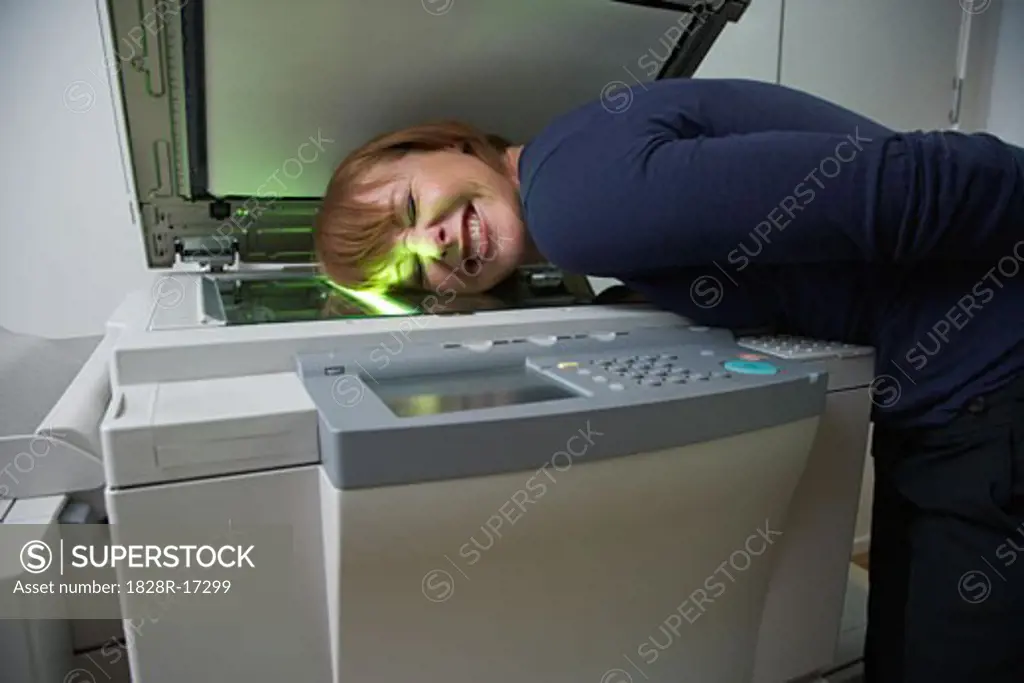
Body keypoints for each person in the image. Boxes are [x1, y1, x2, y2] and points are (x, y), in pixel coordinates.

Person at [313, 77, 1024, 682]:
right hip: (944, 399)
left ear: (448, 142)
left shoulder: (569, 203)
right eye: (411, 274)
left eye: (408, 209)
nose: (429, 243)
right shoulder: (577, 155)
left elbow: (908, 180)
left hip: (989, 377)